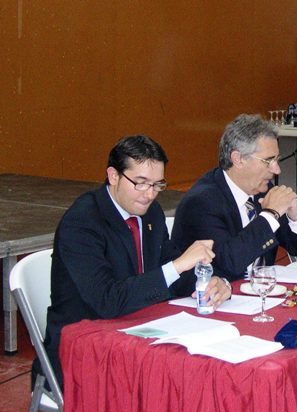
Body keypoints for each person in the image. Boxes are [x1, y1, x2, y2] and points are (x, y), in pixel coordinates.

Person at [40, 135, 231, 389]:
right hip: (83, 350)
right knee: (180, 383)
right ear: (113, 176)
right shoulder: (83, 222)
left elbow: (174, 275)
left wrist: (213, 282)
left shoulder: (151, 213)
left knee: (203, 371)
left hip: (137, 334)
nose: (149, 194)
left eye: (157, 185)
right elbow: (108, 301)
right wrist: (178, 266)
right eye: (140, 183)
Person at [171, 114, 297, 281]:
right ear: (238, 159)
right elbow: (230, 263)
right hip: (214, 293)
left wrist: (296, 216)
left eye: (276, 160)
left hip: (261, 291)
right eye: (268, 161)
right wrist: (270, 215)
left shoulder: (263, 190)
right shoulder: (201, 202)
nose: (277, 170)